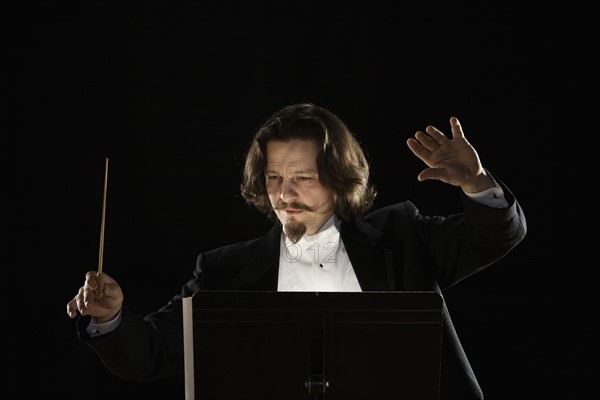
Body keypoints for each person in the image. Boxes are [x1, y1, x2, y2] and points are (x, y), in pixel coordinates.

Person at [67, 103, 526, 399]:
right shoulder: (224, 269)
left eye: (303, 177)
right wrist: (110, 317)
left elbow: (495, 237)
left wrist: (475, 183)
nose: (285, 192)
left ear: (339, 176)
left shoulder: (403, 235)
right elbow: (150, 355)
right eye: (273, 177)